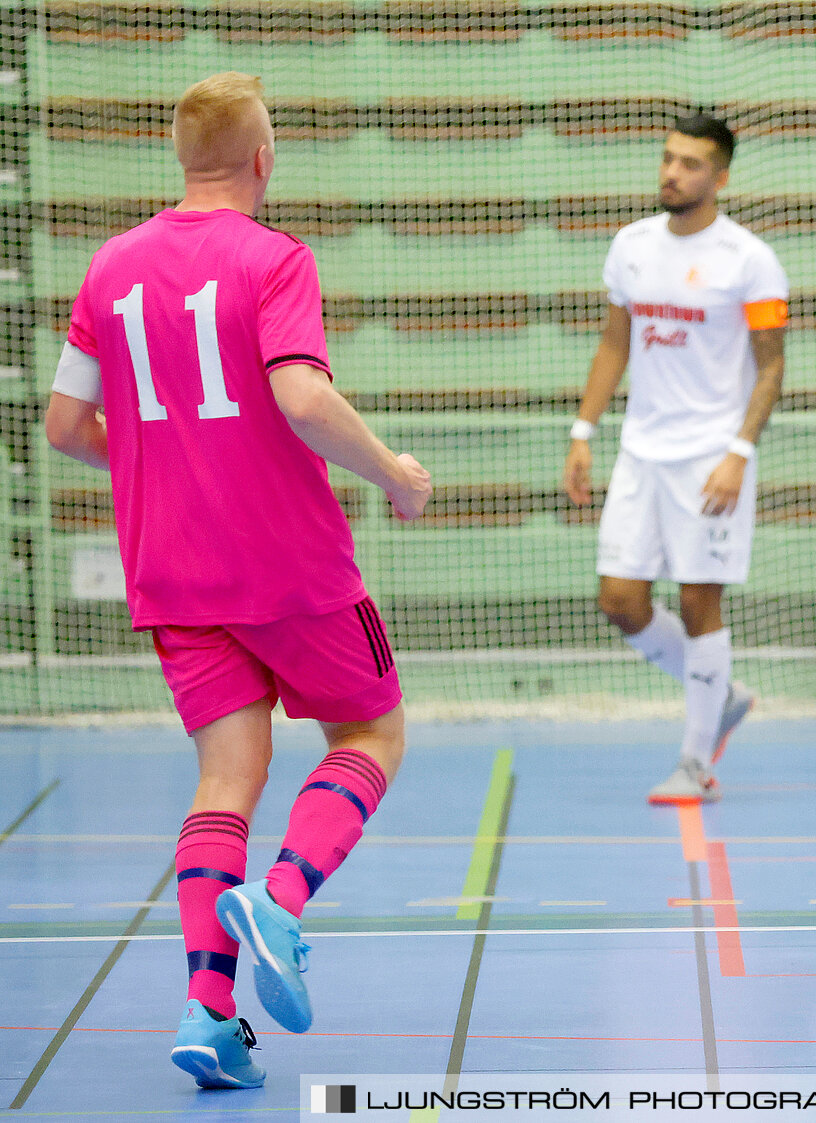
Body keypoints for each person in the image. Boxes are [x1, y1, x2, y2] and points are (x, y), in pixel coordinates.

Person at [44, 72, 434, 1089]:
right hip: (288, 563)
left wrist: (156, 457)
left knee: (226, 780)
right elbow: (300, 394)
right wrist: (392, 470)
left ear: (185, 158)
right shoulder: (273, 259)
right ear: (265, 159)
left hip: (169, 569)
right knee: (371, 733)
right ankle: (284, 899)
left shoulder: (110, 267)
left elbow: (63, 429)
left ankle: (210, 1013)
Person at [561, 113, 788, 804]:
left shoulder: (750, 260)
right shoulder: (631, 246)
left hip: (710, 456)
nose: (671, 172)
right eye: (667, 159)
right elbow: (614, 344)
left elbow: (771, 366)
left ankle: (697, 763)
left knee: (698, 601)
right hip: (640, 451)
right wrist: (583, 429)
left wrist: (739, 452)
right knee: (620, 600)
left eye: (689, 163)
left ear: (719, 177)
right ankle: (719, 692)